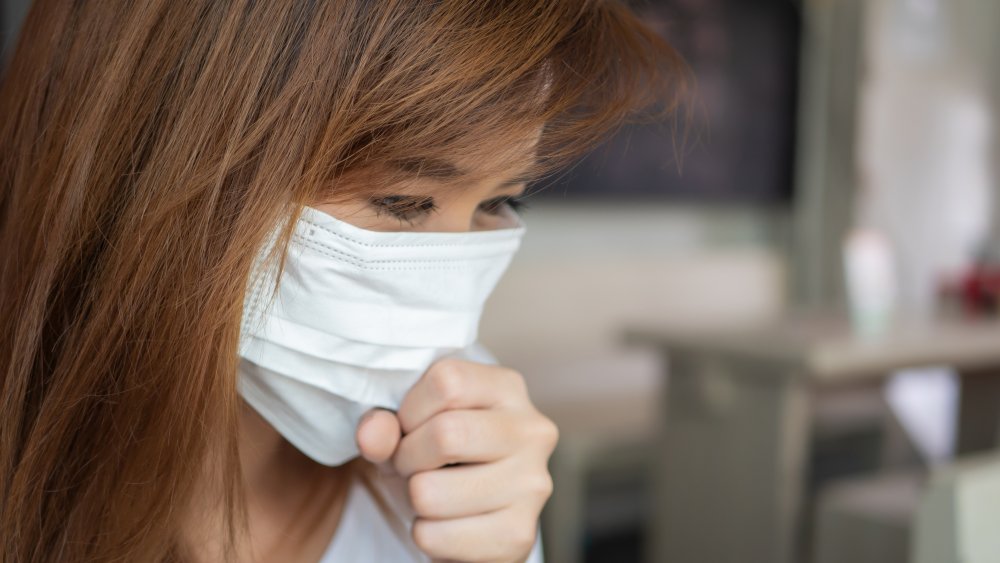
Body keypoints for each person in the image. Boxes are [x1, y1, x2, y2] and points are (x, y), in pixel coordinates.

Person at [0, 1, 685, 561]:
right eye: (402, 202)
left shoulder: (467, 441)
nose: (444, 291)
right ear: (161, 148)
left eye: (499, 203)